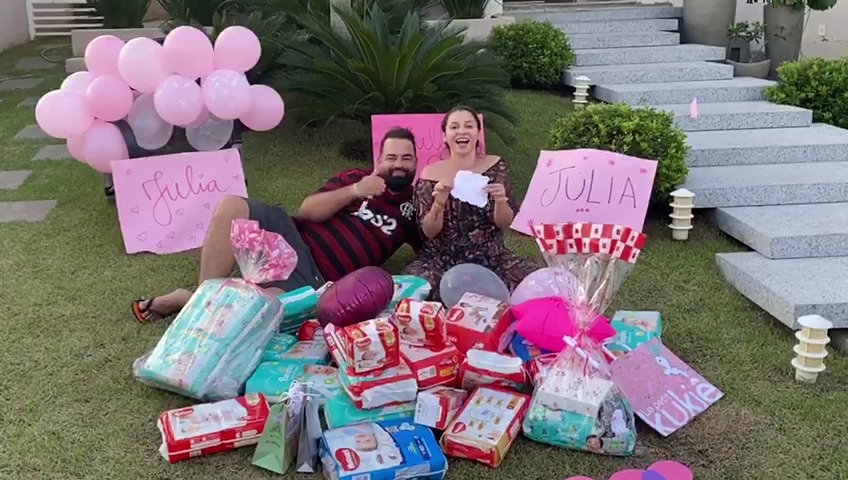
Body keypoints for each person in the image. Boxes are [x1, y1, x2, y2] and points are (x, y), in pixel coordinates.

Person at [132, 127, 422, 322]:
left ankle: (186, 301)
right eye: (391, 157)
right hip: (290, 235)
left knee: (256, 314)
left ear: (416, 163)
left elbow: (432, 243)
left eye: (406, 158)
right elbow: (307, 210)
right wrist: (355, 191)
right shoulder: (355, 177)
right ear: (379, 159)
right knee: (232, 206)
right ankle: (202, 296)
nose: (398, 164)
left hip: (315, 277)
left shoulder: (414, 207)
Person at [402, 106, 538, 293]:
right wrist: (438, 204)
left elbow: (504, 223)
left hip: (491, 257)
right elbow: (429, 232)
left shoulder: (496, 167)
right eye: (454, 127)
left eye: (469, 126)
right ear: (445, 136)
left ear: (477, 133)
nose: (462, 131)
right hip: (441, 260)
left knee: (533, 281)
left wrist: (500, 201)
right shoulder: (430, 175)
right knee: (414, 289)